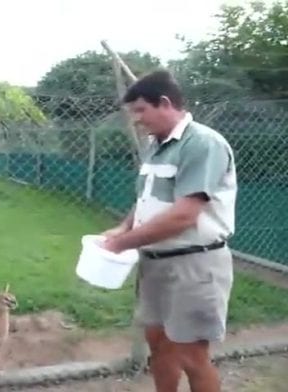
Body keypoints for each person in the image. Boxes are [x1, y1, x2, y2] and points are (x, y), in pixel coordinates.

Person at [100, 69, 237, 392]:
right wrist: (123, 227)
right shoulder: (156, 146)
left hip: (194, 264)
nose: (135, 120)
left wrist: (122, 243)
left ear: (164, 103)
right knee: (159, 346)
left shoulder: (203, 144)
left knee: (191, 355)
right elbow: (148, 198)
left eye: (140, 110)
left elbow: (183, 216)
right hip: (156, 263)